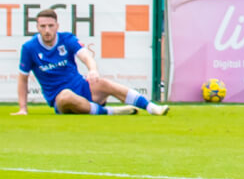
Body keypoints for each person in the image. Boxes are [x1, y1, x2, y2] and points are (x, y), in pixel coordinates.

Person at [13, 9, 168, 116]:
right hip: (60, 99)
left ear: (57, 26)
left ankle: (151, 107)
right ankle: (110, 112)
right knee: (66, 96)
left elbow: (85, 56)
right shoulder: (29, 48)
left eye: (50, 26)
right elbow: (23, 79)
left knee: (103, 83)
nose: (47, 30)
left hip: (81, 87)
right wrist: (23, 108)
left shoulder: (67, 39)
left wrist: (92, 69)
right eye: (43, 26)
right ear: (37, 27)